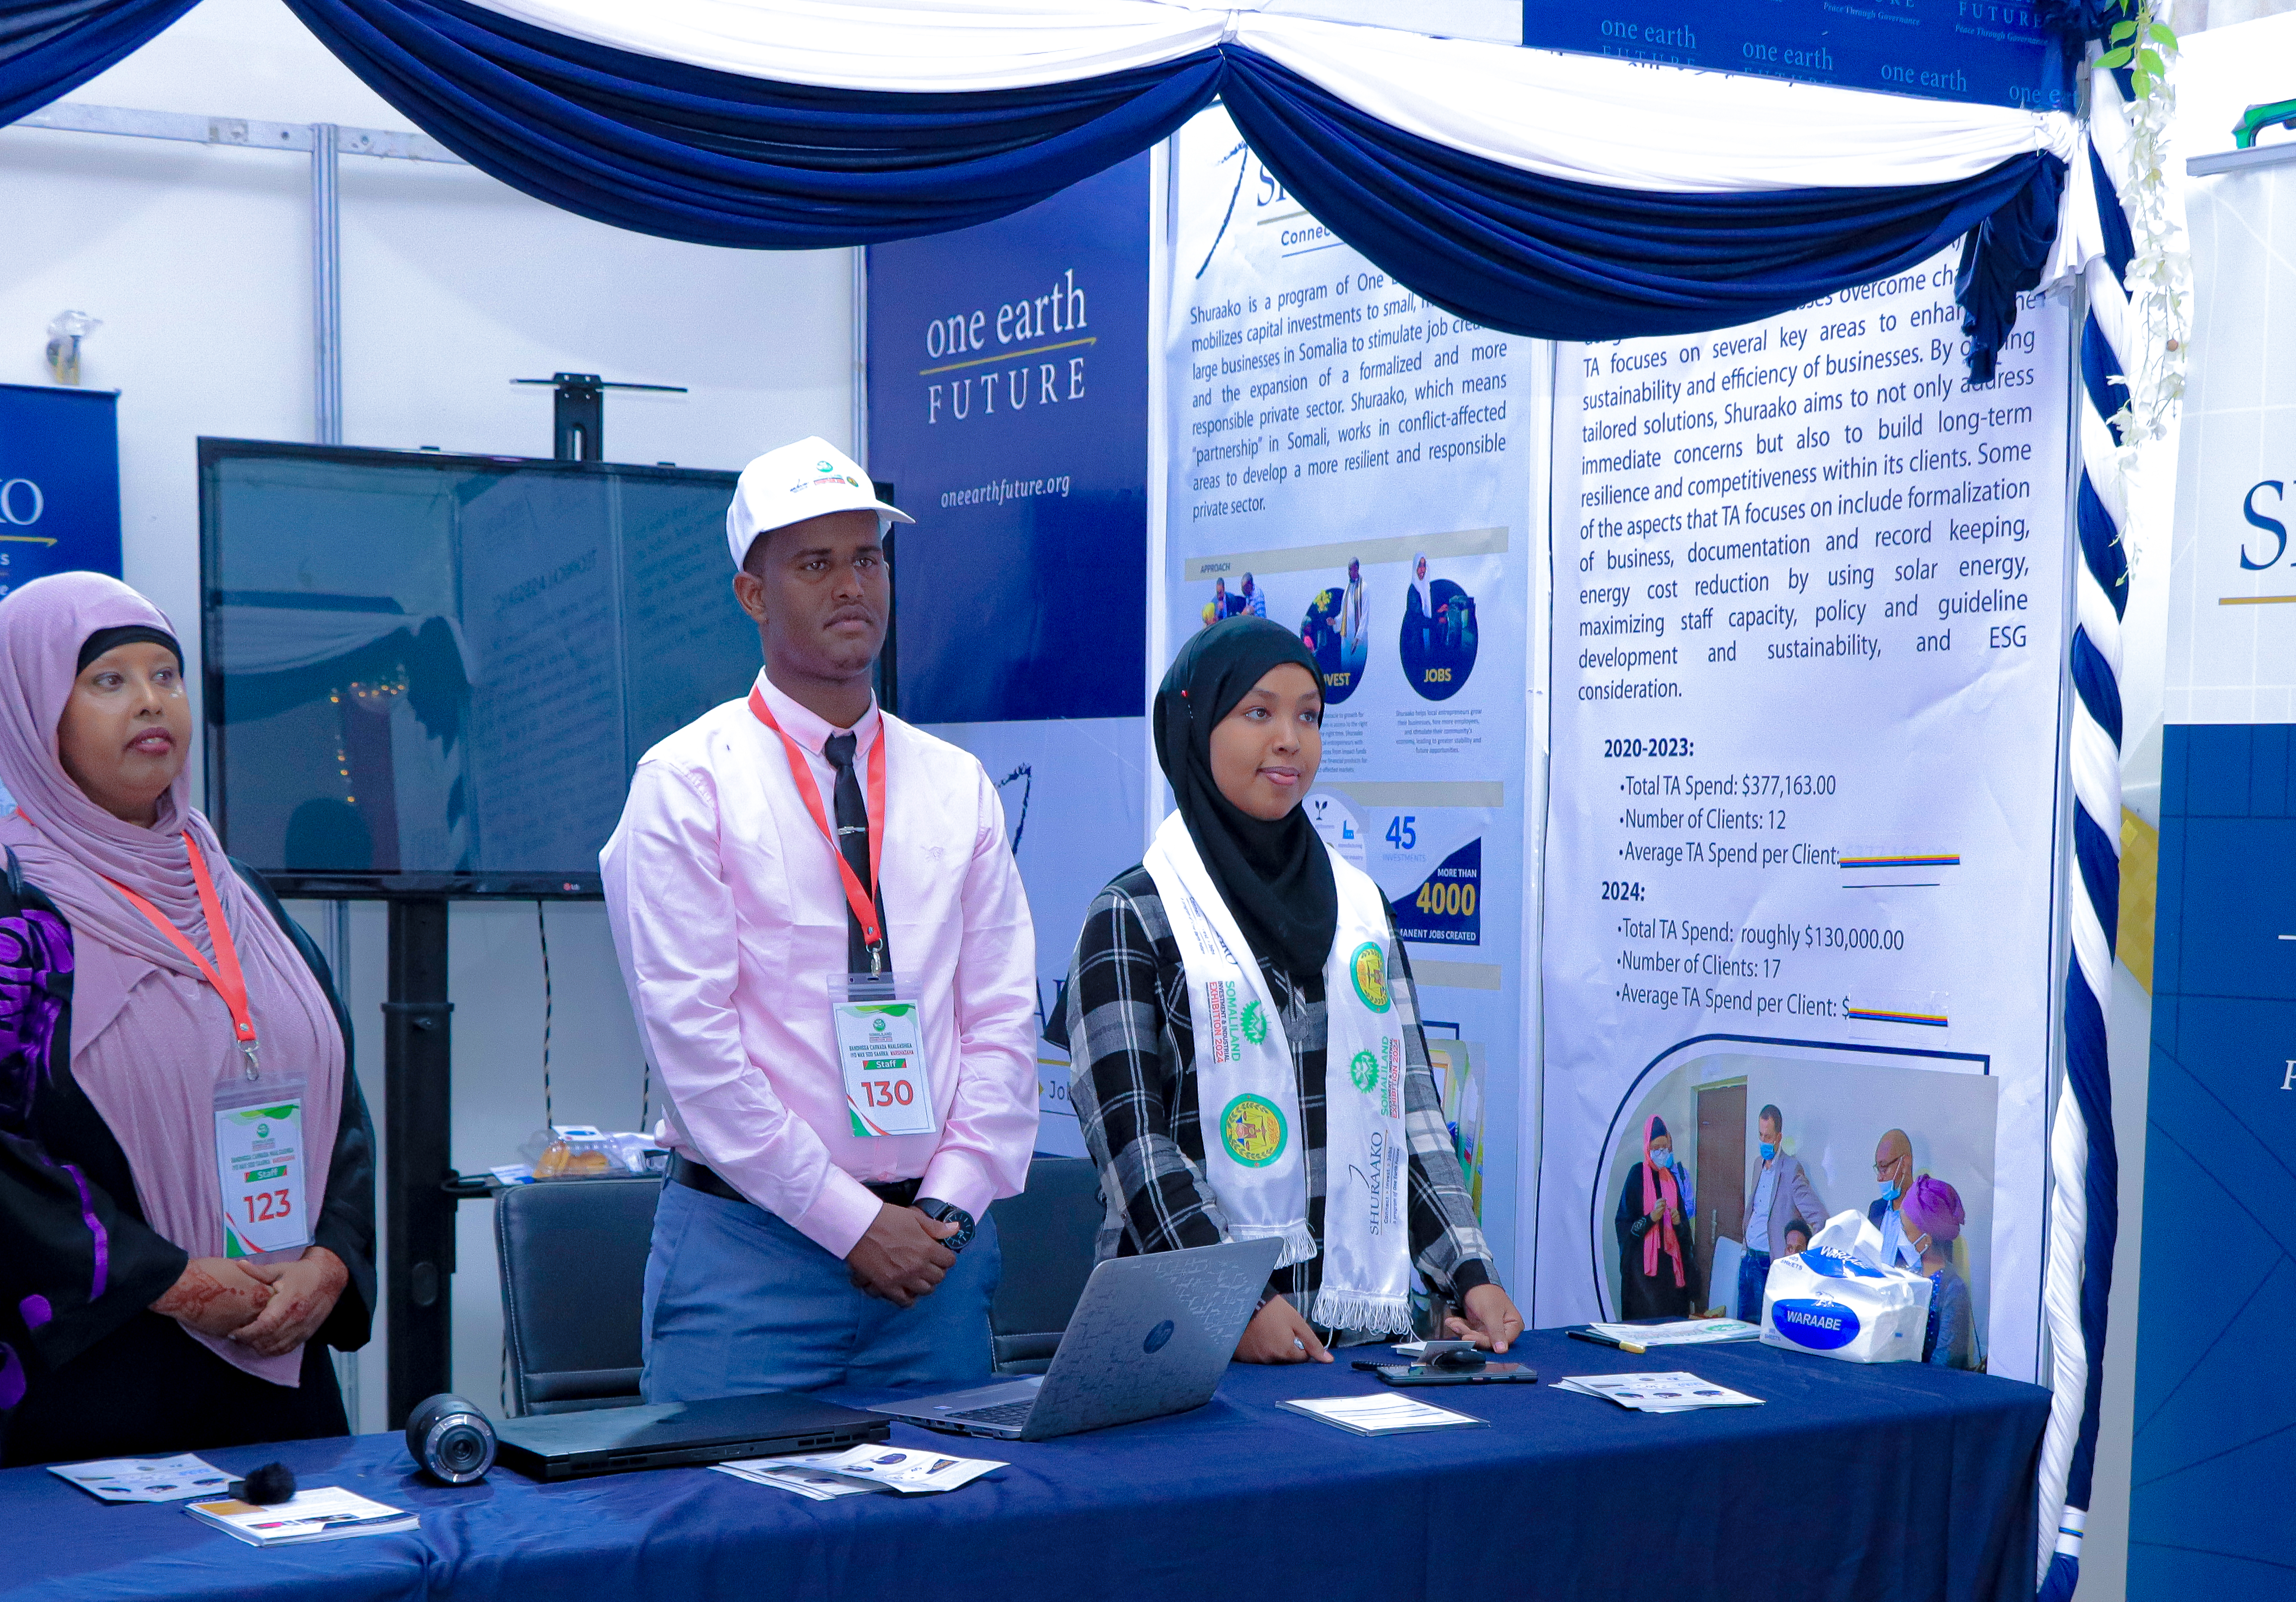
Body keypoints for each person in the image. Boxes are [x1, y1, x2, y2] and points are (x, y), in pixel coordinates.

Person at [0, 573, 374, 1470]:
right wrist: (159, 1279)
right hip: (67, 1396)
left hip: (264, 1361)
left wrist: (335, 1258)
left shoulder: (237, 894)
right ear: (34, 713)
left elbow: (337, 1108)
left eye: (165, 674)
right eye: (108, 681)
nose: (150, 702)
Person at [601, 438, 1039, 1400]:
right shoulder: (687, 784)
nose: (852, 586)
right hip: (751, 1262)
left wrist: (949, 1214)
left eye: (868, 559)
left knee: (949, 1543)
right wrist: (852, 1223)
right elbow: (699, 1054)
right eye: (815, 564)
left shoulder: (954, 784)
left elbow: (1004, 1021)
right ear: (753, 597)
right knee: (729, 1544)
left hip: (935, 1258)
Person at [1058, 616, 1522, 1363]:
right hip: (1180, 1345)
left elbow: (1413, 1115)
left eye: (1308, 715)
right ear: (1195, 727)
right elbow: (1132, 1148)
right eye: (1258, 712)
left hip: (1358, 1336)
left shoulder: (1361, 908)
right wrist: (1231, 1301)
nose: (1290, 739)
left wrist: (1471, 1273)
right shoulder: (1134, 916)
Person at [1613, 1115, 1698, 1321]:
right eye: (1657, 1147)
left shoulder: (1672, 1180)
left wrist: (1678, 1223)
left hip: (1671, 1277)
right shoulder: (1637, 1176)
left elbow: (1685, 1231)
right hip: (1642, 1280)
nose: (1662, 1152)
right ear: (1647, 1146)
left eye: (1665, 1147)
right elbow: (1624, 1226)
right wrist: (1651, 1218)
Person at [1902, 1175, 1978, 1369]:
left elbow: (1946, 1360)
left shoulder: (1954, 1290)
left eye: (1906, 1232)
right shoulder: (1909, 1276)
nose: (1904, 1239)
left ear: (1926, 1239)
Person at [1740, 1104, 1827, 1268]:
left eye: (1768, 1136)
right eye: (1761, 1135)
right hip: (1748, 1258)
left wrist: (1805, 1257)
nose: (1763, 1141)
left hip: (1769, 1262)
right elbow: (1755, 1211)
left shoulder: (1791, 1169)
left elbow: (1820, 1218)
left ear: (1779, 1138)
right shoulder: (1758, 1164)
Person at [1866, 1126, 1920, 1267]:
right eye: (1878, 1169)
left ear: (1905, 1164)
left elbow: (1937, 1270)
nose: (1879, 1178)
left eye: (1884, 1169)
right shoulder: (1876, 1210)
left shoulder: (1926, 1211)